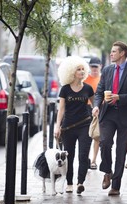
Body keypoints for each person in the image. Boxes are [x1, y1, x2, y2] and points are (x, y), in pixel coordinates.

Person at [92, 41, 127, 196]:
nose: (111, 54)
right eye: (111, 51)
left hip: (126, 115)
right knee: (105, 143)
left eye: (114, 51)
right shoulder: (106, 70)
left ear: (122, 53)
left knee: (121, 151)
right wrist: (96, 105)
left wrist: (119, 97)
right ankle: (107, 170)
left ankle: (116, 186)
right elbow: (99, 91)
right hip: (108, 114)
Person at [54, 55, 94, 195]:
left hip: (85, 125)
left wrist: (96, 112)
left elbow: (95, 105)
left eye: (83, 69)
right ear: (71, 72)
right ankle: (69, 183)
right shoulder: (65, 89)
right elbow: (61, 109)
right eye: (79, 69)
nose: (82, 72)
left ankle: (80, 183)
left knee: (83, 156)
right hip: (68, 127)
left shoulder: (88, 89)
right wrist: (57, 126)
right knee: (69, 156)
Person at [84, 57, 102, 170]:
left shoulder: (102, 79)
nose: (94, 69)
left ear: (100, 66)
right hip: (86, 109)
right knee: (86, 136)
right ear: (89, 67)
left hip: (99, 109)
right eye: (92, 66)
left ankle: (94, 160)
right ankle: (86, 159)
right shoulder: (85, 79)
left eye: (96, 66)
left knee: (96, 135)